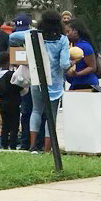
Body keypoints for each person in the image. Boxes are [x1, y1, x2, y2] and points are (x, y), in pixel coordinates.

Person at [28, 11, 71, 152]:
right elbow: (64, 64)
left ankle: (33, 145)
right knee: (51, 116)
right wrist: (73, 62)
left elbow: (14, 37)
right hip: (55, 82)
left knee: (36, 111)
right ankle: (47, 149)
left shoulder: (35, 37)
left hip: (37, 80)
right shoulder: (62, 40)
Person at [0, 49, 24, 150]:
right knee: (14, 124)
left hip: (3, 102)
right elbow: (20, 85)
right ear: (8, 61)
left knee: (5, 124)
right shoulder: (11, 75)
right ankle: (13, 144)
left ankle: (4, 144)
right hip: (14, 102)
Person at [10, 12, 33, 142]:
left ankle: (29, 139)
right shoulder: (14, 41)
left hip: (32, 79)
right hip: (23, 79)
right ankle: (25, 139)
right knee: (25, 111)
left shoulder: (33, 37)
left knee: (28, 111)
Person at [65, 18, 100, 90]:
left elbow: (92, 67)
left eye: (68, 32)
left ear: (76, 31)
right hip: (75, 83)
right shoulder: (72, 45)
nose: (66, 35)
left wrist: (77, 74)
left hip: (87, 84)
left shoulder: (85, 46)